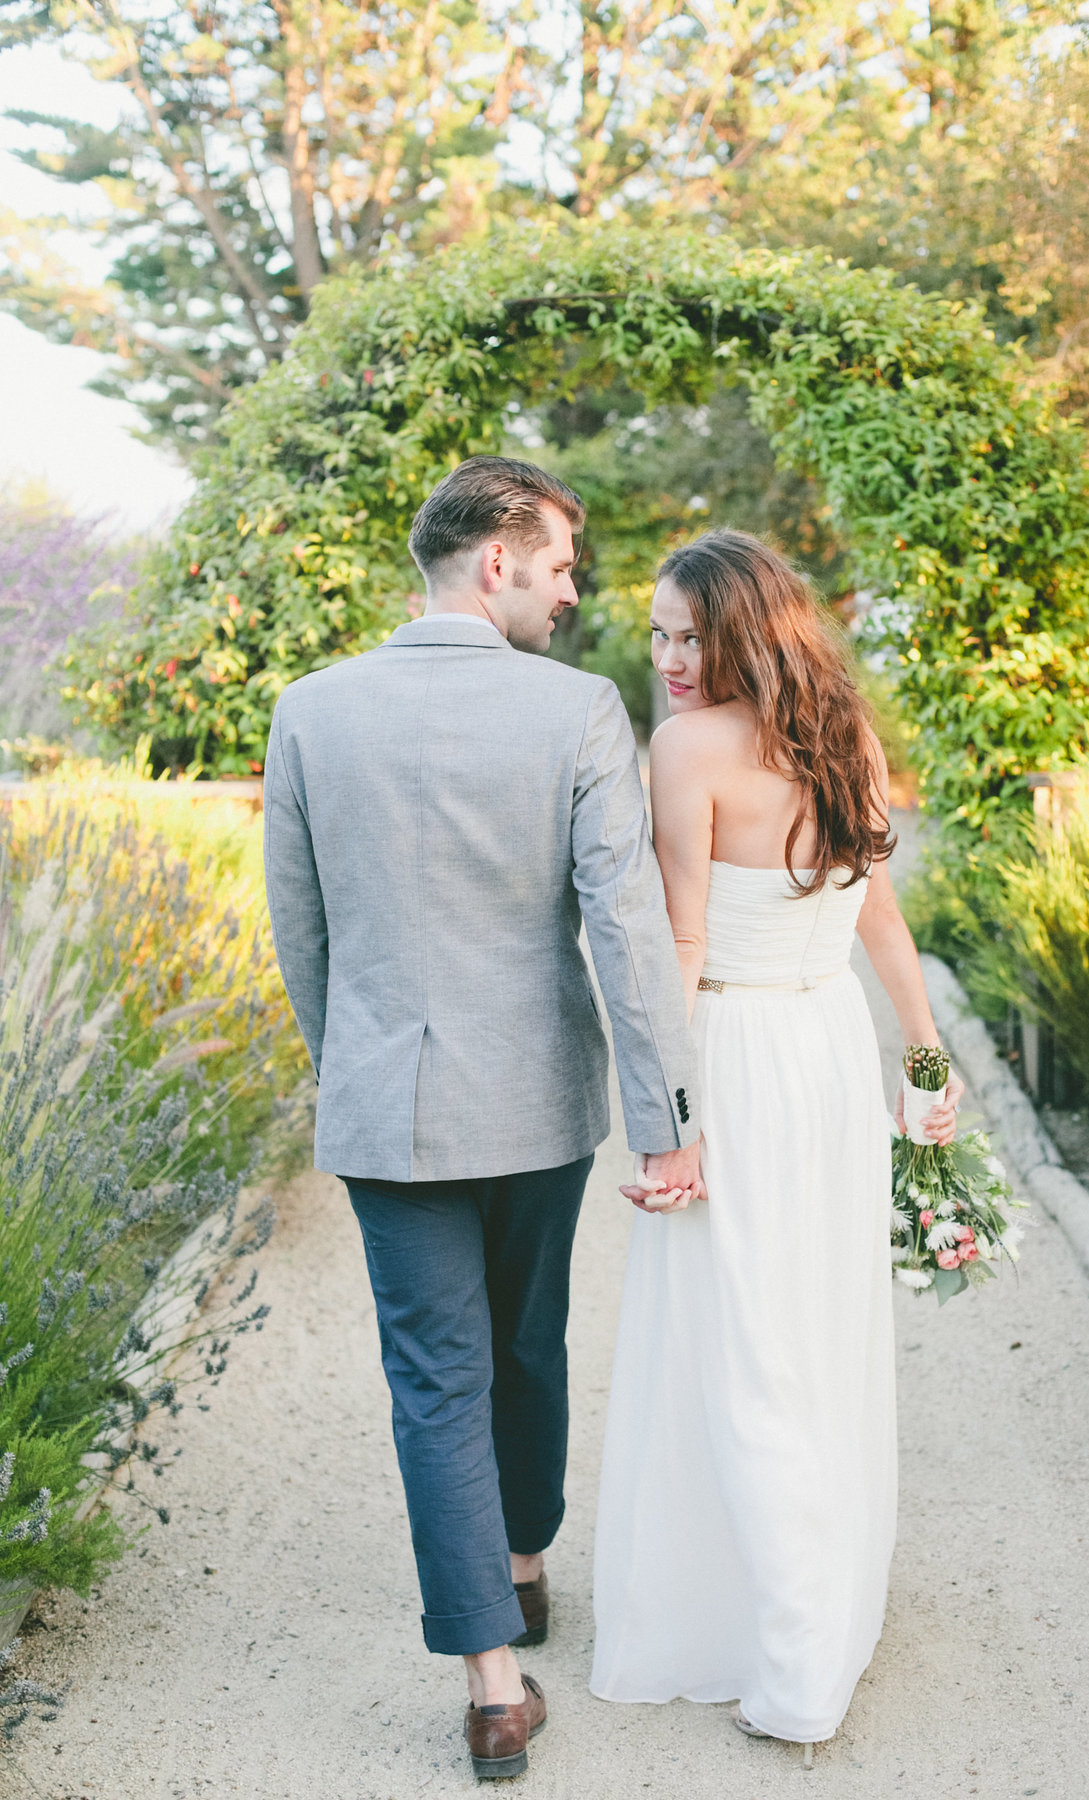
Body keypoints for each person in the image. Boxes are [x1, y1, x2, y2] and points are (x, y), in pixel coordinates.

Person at [262, 456, 702, 1781]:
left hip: (386, 1108)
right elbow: (624, 933)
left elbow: (303, 928)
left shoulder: (310, 711)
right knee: (526, 1342)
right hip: (536, 1101)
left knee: (433, 1381)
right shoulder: (578, 715)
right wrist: (667, 1118)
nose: (574, 591)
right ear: (496, 558)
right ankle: (520, 1569)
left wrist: (357, 1066)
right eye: (563, 562)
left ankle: (492, 1686)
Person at [590, 529, 963, 1758]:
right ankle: (809, 1610)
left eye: (691, 634)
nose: (671, 657)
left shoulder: (683, 750)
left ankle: (796, 1668)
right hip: (825, 1063)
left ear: (749, 628)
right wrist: (920, 1059)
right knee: (810, 1331)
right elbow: (883, 924)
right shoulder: (845, 734)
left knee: (743, 1346)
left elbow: (685, 950)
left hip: (742, 1062)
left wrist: (669, 1125)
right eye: (658, 634)